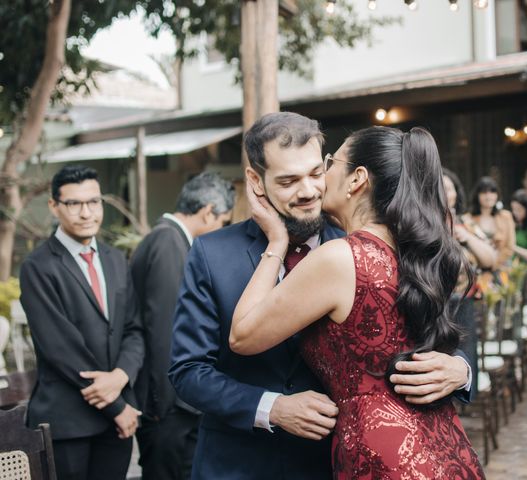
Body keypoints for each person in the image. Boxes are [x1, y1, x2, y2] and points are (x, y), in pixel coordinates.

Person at [169, 112, 474, 480]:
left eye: (317, 172)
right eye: (288, 181)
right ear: (256, 181)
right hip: (240, 464)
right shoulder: (212, 253)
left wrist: (461, 370)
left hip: (336, 463)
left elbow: (444, 326)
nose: (309, 190)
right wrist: (272, 407)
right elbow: (188, 371)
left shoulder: (356, 246)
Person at [19, 165, 144, 480]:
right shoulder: (38, 267)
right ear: (54, 206)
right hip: (68, 422)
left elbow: (132, 329)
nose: (87, 212)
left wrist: (121, 375)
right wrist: (117, 406)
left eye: (94, 201)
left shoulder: (116, 259)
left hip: (115, 424)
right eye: (74, 204)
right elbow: (61, 349)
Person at [130, 172, 234, 480]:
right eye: (223, 221)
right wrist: (167, 400)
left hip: (171, 401)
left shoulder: (167, 238)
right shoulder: (167, 241)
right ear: (207, 211)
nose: (221, 230)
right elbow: (164, 327)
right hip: (168, 403)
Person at [443, 168, 497, 398]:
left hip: (463, 305)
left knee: (464, 369)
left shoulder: (465, 224)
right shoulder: (424, 224)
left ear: (456, 193)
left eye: (449, 188)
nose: (445, 193)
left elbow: (490, 259)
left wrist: (465, 237)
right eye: (439, 188)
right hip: (438, 307)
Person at [466, 176, 516, 270]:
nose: (489, 196)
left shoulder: (506, 217)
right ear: (477, 195)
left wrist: (493, 264)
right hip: (477, 271)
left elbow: (510, 247)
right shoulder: (469, 219)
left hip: (502, 270)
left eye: (493, 192)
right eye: (484, 192)